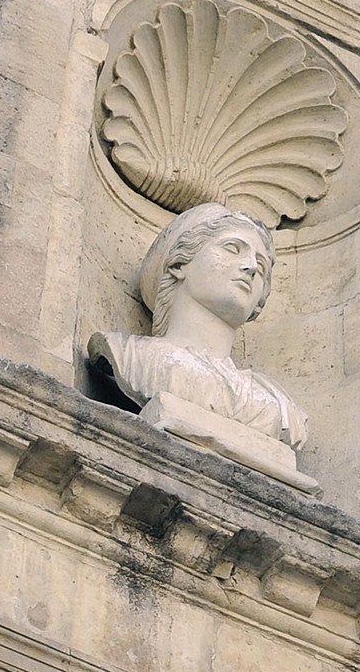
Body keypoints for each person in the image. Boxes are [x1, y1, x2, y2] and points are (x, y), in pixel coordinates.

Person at [87, 202, 316, 489]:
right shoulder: (132, 357)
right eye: (232, 248)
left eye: (262, 265)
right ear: (180, 264)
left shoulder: (279, 406)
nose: (250, 268)